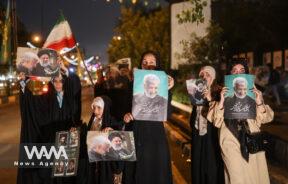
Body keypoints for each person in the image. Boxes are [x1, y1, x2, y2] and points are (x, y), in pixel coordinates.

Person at [207, 59, 274, 184]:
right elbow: (216, 122)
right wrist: (222, 100)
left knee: (253, 176)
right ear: (230, 74)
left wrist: (259, 101)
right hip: (229, 140)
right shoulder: (221, 93)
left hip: (251, 139)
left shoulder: (253, 93)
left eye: (242, 70)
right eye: (235, 70)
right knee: (236, 177)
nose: (238, 73)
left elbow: (266, 118)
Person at [122, 50, 174, 184]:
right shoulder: (131, 85)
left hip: (155, 139)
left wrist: (167, 90)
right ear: (140, 65)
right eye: (145, 62)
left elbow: (167, 115)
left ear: (157, 65)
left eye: (152, 62)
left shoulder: (165, 87)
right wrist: (126, 116)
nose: (148, 65)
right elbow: (124, 110)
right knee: (135, 173)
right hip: (135, 134)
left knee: (155, 174)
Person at [189, 66, 224, 184]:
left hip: (212, 138)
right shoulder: (196, 93)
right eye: (201, 75)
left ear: (213, 78)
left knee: (211, 168)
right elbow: (193, 118)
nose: (204, 77)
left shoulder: (219, 93)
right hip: (198, 136)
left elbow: (219, 119)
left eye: (207, 75)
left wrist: (209, 99)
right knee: (198, 167)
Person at [86, 96, 124, 184]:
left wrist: (112, 131)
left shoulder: (112, 121)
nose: (95, 111)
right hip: (93, 164)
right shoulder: (92, 121)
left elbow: (120, 139)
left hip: (106, 165)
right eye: (94, 108)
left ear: (105, 108)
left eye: (99, 108)